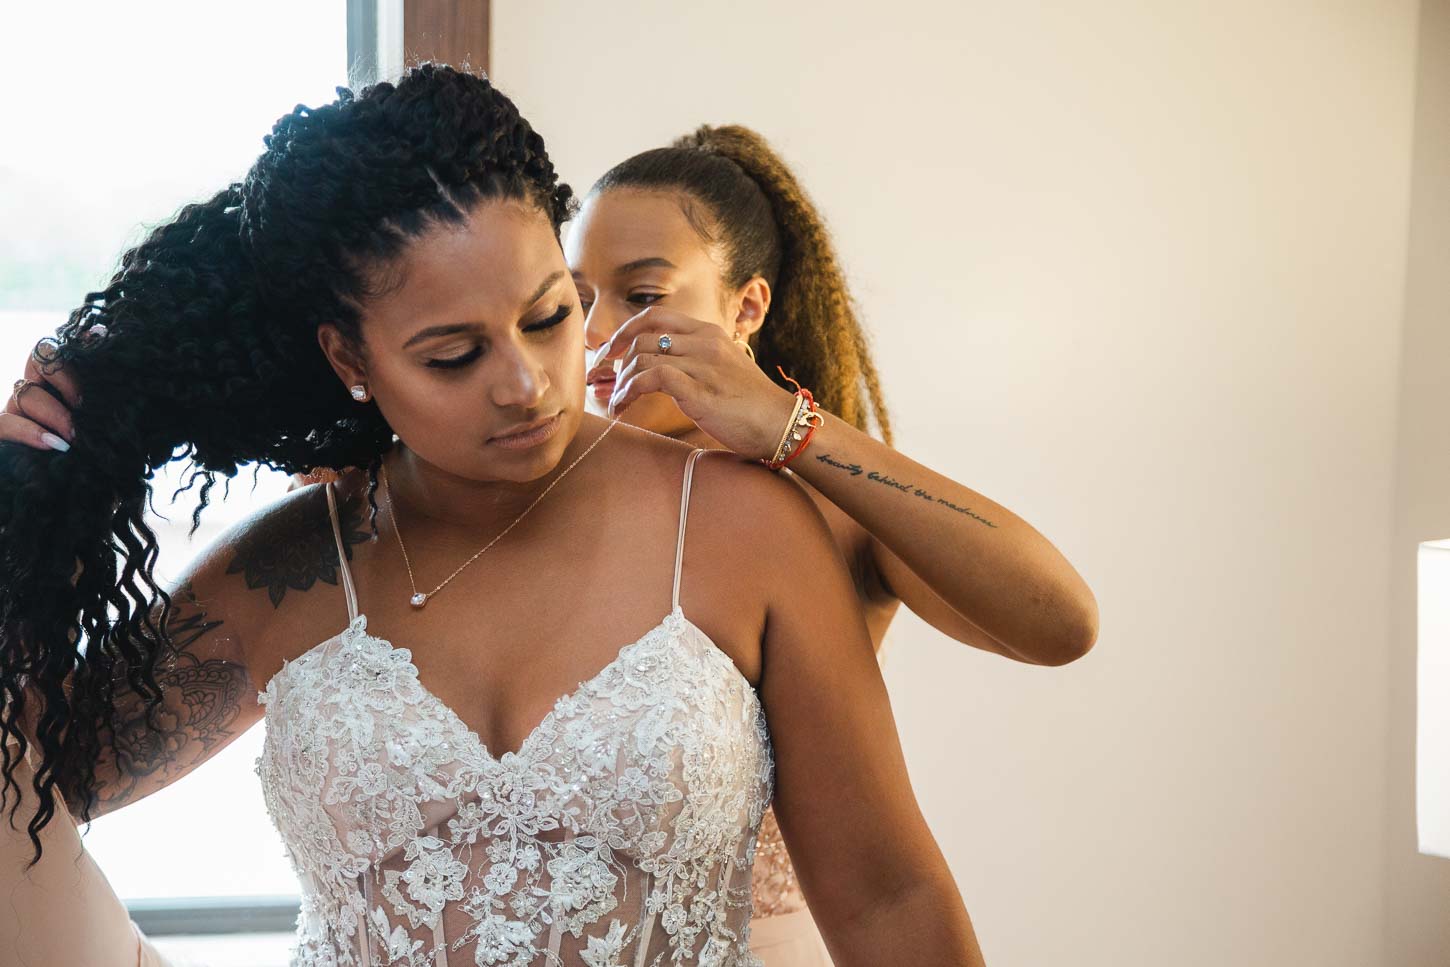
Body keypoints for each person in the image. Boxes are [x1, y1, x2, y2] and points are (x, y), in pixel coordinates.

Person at [0, 66, 982, 965]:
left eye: (550, 316)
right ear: (350, 359)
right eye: (453, 355)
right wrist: (34, 504)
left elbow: (889, 899)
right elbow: (40, 784)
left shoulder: (742, 527)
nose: (526, 383)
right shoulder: (292, 570)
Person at [567, 125, 1099, 962]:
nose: (597, 330)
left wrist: (793, 430)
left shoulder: (821, 510)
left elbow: (1063, 621)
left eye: (640, 294)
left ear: (746, 307)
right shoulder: (544, 500)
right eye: (573, 298)